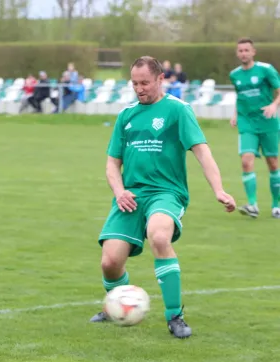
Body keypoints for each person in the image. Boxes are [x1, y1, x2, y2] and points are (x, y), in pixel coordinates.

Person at [91, 56, 236, 339]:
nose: (139, 88)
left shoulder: (178, 110)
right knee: (109, 263)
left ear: (160, 79)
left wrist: (218, 189)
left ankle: (175, 316)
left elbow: (202, 151)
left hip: (166, 193)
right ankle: (117, 305)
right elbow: (112, 164)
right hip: (131, 195)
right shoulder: (126, 115)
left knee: (159, 237)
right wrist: (119, 192)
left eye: (145, 82)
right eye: (134, 83)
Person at [229, 37, 280, 219]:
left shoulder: (266, 70)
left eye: (246, 50)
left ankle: (276, 205)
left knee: (273, 163)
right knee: (246, 161)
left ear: (253, 52)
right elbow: (239, 96)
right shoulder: (234, 74)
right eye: (240, 50)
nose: (243, 53)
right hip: (247, 123)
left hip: (268, 122)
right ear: (237, 53)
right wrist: (235, 114)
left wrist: (274, 105)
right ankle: (253, 205)